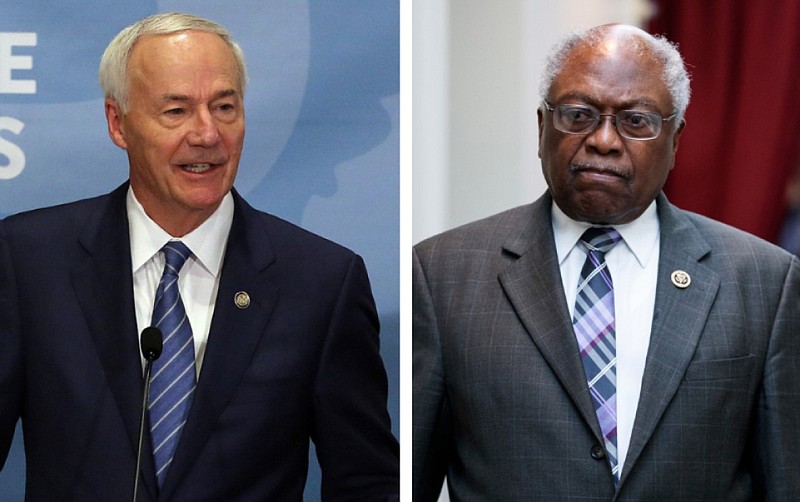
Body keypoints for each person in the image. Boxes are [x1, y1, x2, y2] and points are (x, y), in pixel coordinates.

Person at [0, 12, 398, 500]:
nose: (208, 134)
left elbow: (366, 479)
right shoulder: (28, 262)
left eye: (225, 107)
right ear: (117, 122)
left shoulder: (322, 283)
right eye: (176, 111)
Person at [413, 24, 800, 500]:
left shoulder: (764, 280)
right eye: (578, 114)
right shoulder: (442, 274)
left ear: (675, 140)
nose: (603, 140)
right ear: (541, 128)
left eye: (636, 121)